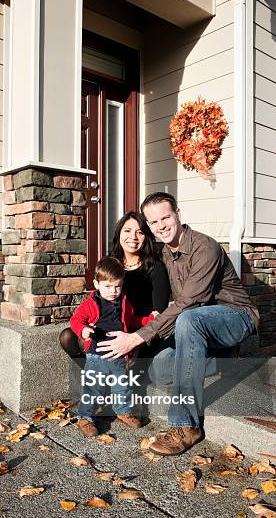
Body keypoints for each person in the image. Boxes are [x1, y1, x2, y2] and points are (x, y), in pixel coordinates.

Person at [96, 192, 259, 456]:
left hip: (235, 316)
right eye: (153, 222)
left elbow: (188, 304)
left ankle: (186, 425)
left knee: (187, 318)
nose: (160, 226)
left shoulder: (205, 248)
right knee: (159, 370)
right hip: (196, 325)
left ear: (178, 215)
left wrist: (137, 337)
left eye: (165, 217)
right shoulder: (165, 254)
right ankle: (224, 359)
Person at [59, 211, 170, 359]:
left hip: (138, 330)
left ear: (146, 237)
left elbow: (158, 316)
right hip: (108, 325)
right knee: (68, 337)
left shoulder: (155, 267)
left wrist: (133, 340)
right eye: (128, 231)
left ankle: (122, 371)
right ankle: (95, 373)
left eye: (140, 232)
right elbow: (98, 299)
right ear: (119, 234)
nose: (133, 237)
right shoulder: (111, 263)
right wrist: (91, 323)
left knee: (96, 345)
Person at [69, 256, 155, 437]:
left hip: (118, 355)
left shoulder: (124, 303)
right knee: (94, 387)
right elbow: (76, 320)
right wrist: (83, 330)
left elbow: (133, 321)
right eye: (107, 286)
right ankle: (85, 416)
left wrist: (150, 319)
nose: (113, 291)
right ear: (96, 284)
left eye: (117, 286)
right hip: (97, 355)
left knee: (122, 385)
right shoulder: (91, 304)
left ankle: (122, 411)